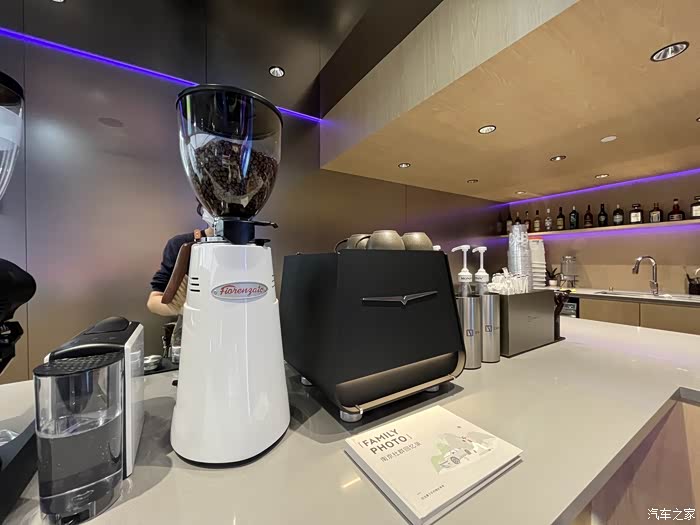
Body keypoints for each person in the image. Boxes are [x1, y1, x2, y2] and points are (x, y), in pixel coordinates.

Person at [147, 203, 215, 316]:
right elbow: (153, 301)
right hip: (193, 323)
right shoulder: (181, 245)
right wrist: (180, 308)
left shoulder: (248, 250)